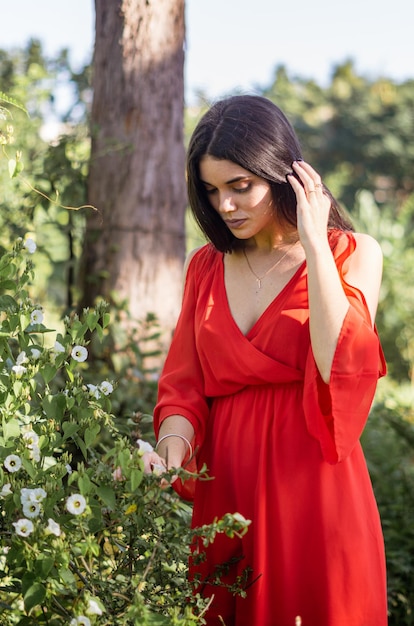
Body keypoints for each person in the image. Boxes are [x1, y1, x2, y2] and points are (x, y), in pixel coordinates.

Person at [143, 95, 388, 626]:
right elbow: (183, 386)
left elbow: (338, 364)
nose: (225, 206)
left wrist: (315, 245)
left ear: (283, 175)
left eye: (240, 186)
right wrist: (170, 452)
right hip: (227, 491)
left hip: (316, 489)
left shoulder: (355, 252)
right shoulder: (205, 267)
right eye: (211, 190)